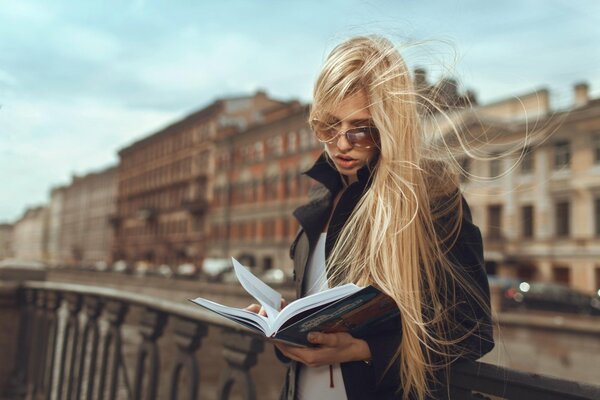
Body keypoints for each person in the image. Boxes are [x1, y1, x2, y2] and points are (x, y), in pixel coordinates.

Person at [247, 35, 494, 400]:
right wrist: (289, 324)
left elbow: (472, 331)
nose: (341, 143)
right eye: (327, 126)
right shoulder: (321, 195)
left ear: (390, 124)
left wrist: (362, 351)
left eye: (360, 128)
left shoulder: (429, 196)